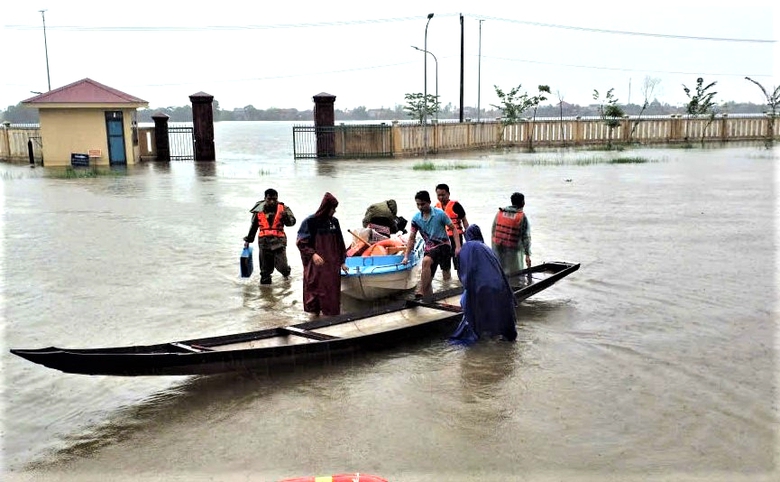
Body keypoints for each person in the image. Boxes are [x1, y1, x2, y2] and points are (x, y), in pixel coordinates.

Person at [450, 224, 518, 344]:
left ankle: (480, 332)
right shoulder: (487, 248)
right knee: (498, 310)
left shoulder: (466, 248)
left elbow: (463, 273)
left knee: (467, 303)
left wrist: (469, 288)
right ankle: (503, 335)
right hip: (499, 287)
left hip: (480, 288)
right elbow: (499, 271)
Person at [296, 192, 348, 316]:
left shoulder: (334, 222)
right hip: (315, 267)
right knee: (313, 292)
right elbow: (301, 242)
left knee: (331, 295)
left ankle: (331, 321)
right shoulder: (310, 222)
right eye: (332, 208)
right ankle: (314, 320)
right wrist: (313, 254)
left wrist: (342, 261)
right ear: (326, 207)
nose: (334, 211)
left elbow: (340, 242)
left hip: (332, 267)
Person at [402, 190, 461, 299]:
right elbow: (411, 238)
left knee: (445, 273)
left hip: (444, 246)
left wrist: (457, 247)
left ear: (429, 202)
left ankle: (441, 293)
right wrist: (406, 256)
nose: (420, 207)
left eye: (422, 204)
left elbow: (454, 229)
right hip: (429, 248)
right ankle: (427, 296)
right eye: (418, 204)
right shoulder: (416, 219)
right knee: (427, 265)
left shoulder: (440, 214)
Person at [243, 188, 296, 284]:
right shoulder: (258, 209)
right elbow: (254, 226)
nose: (272, 201)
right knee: (265, 273)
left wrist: (286, 217)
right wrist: (248, 240)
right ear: (265, 198)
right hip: (264, 243)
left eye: (274, 199)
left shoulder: (284, 208)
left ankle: (286, 276)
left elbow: (292, 222)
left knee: (283, 267)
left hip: (279, 242)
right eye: (269, 199)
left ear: (277, 199)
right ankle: (266, 295)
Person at [491, 192, 532, 275]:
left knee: (500, 273)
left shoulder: (500, 213)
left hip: (498, 249)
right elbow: (526, 237)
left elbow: (493, 231)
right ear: (523, 203)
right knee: (515, 276)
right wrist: (527, 255)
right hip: (513, 252)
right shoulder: (522, 217)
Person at [434, 183, 469, 281]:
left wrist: (468, 235)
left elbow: (464, 220)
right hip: (442, 239)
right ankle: (446, 285)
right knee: (445, 265)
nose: (441, 197)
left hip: (455, 238)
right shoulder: (436, 207)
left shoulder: (456, 205)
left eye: (443, 195)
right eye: (438, 195)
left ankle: (461, 283)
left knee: (458, 262)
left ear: (448, 194)